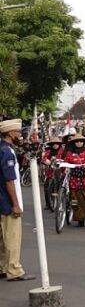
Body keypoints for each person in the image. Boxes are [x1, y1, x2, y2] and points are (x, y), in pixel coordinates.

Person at [0, 119, 35, 281]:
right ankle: (14, 270)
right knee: (12, 237)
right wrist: (15, 204)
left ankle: (2, 267)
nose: (20, 135)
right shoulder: (7, 152)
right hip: (7, 201)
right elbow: (9, 180)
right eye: (18, 132)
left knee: (1, 237)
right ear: (10, 133)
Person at [64, 133, 85, 227]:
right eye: (76, 141)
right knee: (76, 200)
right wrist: (66, 168)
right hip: (74, 180)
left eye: (80, 141)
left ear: (83, 142)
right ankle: (80, 220)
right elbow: (66, 163)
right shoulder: (69, 153)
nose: (79, 143)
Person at [41, 137, 62, 211]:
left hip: (60, 172)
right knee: (46, 187)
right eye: (53, 144)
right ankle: (48, 204)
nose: (55, 145)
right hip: (50, 172)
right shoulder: (48, 152)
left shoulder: (62, 151)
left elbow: (67, 158)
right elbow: (43, 159)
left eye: (57, 144)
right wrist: (47, 161)